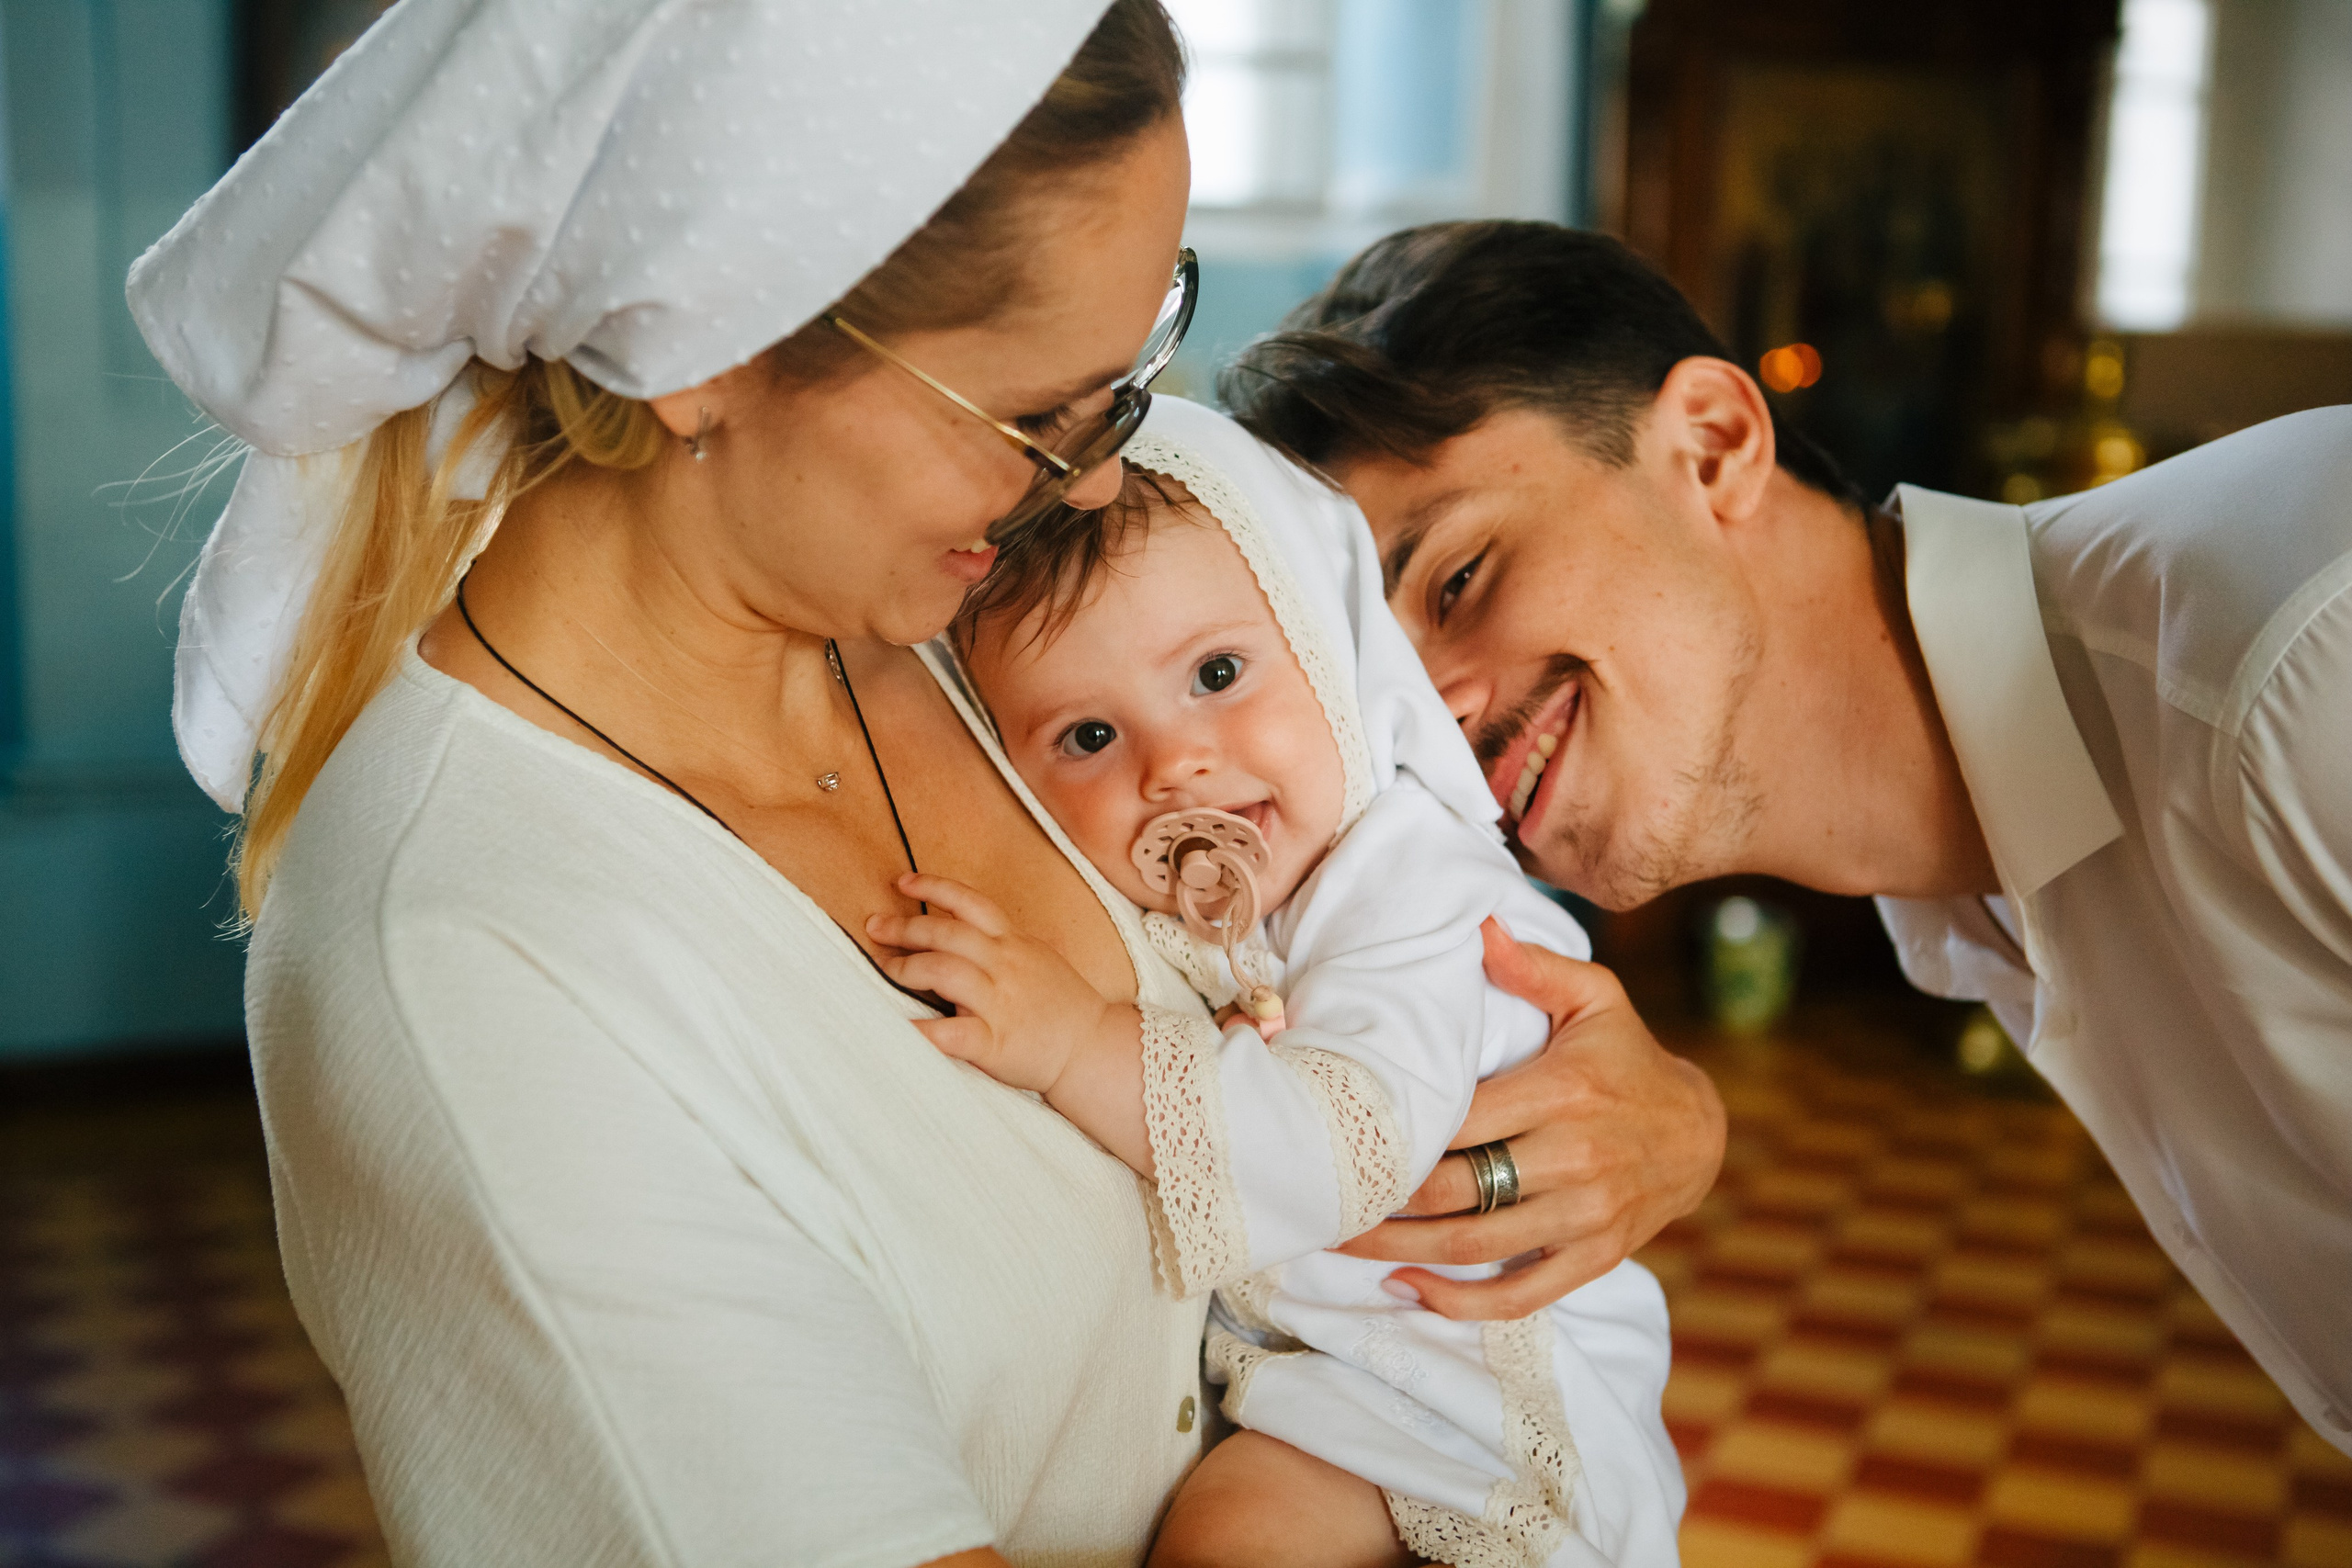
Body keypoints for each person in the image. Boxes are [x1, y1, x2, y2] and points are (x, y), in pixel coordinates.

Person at [125, 8, 1720, 1564]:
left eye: (1136, 368)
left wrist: (1656, 1117)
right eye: (1030, 415)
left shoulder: (1142, 519)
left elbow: (1466, 899)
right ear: (711, 350)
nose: (1098, 480)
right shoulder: (469, 965)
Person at [1224, 219, 2352, 1454]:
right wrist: (1686, 1113)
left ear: (1713, 445)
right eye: (1379, 693)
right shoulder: (1964, 902)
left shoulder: (2292, 663)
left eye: (1457, 580)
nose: (1431, 727)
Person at [893, 395, 1685, 1567]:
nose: (1177, 762)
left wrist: (1072, 1044)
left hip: (1489, 1397)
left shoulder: (1413, 888)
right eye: (1088, 739)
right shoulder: (1210, 912)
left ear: (1328, 649)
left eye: (1216, 670)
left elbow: (1353, 1142)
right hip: (1342, 1387)